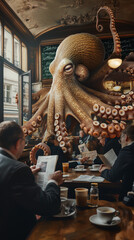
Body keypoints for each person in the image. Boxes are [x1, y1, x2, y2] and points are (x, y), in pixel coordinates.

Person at [0, 121, 63, 240]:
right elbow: (50, 206)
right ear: (19, 143)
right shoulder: (18, 170)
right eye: (24, 141)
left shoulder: (16, 169)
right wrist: (52, 181)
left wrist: (28, 173)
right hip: (18, 234)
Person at [99, 124, 134, 200]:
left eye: (120, 139)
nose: (120, 142)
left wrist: (104, 170)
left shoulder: (128, 150)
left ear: (126, 137)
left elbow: (112, 176)